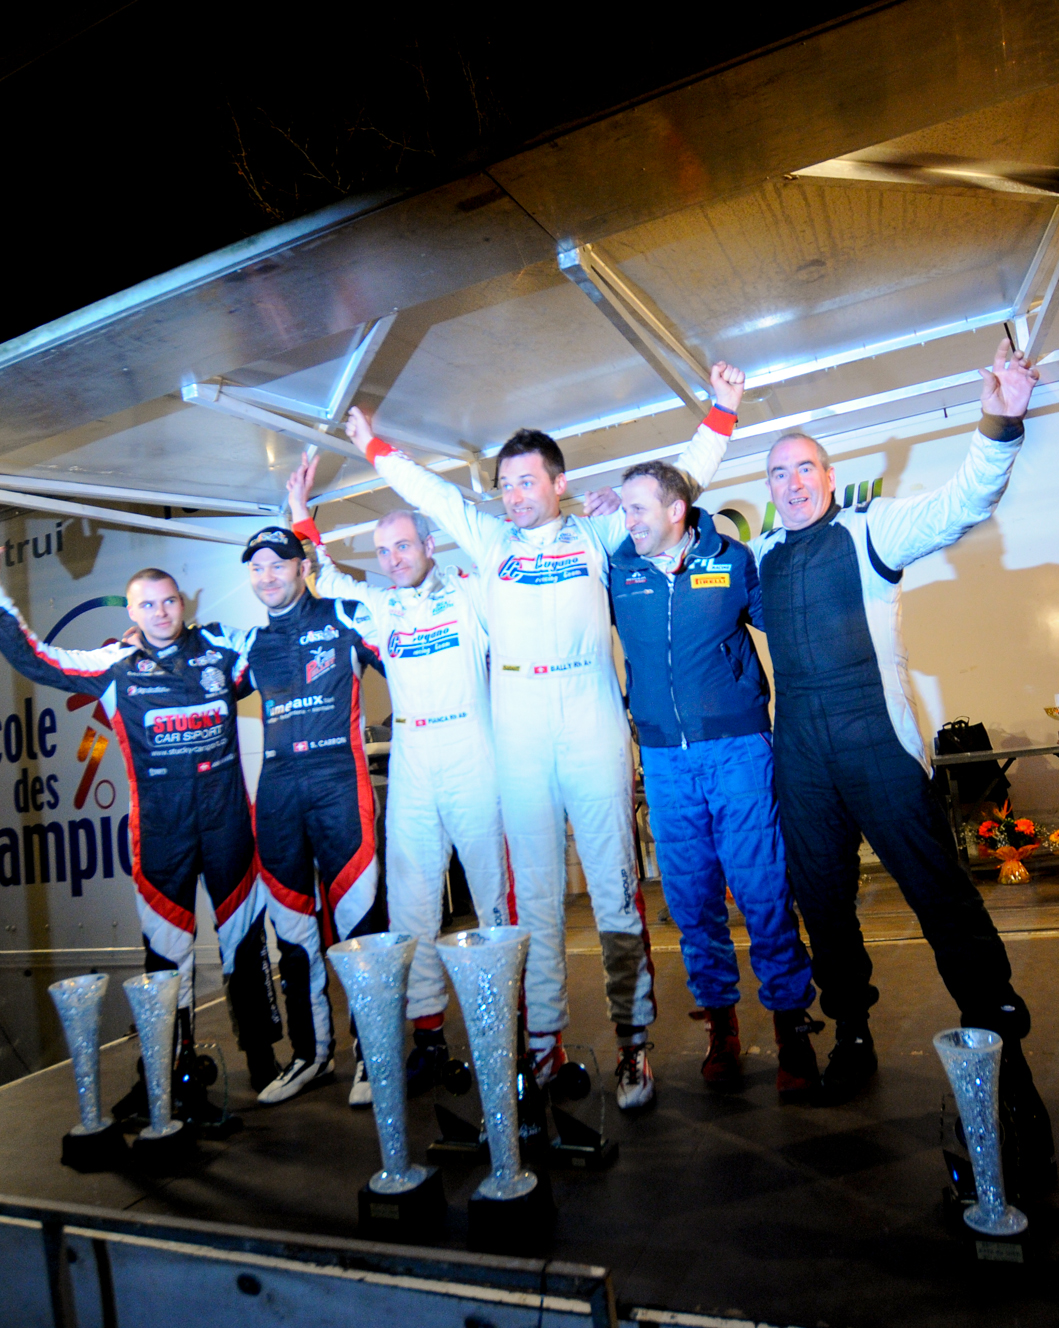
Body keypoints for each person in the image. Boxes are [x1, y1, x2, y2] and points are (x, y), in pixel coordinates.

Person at [349, 365, 740, 1110]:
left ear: (560, 484)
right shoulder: (489, 539)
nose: (514, 495)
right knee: (534, 903)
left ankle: (632, 1043)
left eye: (527, 482)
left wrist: (721, 412)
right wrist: (374, 445)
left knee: (616, 891)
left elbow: (674, 484)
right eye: (505, 484)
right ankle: (542, 1045)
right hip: (520, 729)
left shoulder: (597, 530)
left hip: (590, 719)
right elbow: (431, 495)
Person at [750, 338, 1054, 1142]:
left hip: (877, 748)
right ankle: (851, 1034)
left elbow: (963, 502)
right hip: (802, 759)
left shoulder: (872, 530)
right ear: (768, 489)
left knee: (941, 897)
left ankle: (1005, 1056)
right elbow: (684, 563)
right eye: (778, 474)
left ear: (828, 476)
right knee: (823, 907)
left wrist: (1000, 421)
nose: (793, 483)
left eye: (804, 469)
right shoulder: (760, 559)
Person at [0, 550, 283, 1102]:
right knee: (165, 957)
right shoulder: (114, 665)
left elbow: (284, 652)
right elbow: (35, 660)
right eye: (148, 605)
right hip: (161, 834)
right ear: (131, 612)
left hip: (227, 824)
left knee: (246, 942)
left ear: (182, 603)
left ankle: (262, 1059)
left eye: (169, 602)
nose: (161, 613)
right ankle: (168, 1070)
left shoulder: (220, 650)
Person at [285, 463, 510, 1093]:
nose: (393, 559)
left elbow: (514, 569)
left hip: (472, 750)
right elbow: (322, 574)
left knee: (494, 899)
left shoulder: (468, 591)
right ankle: (429, 1037)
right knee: (411, 909)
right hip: (412, 757)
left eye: (403, 546)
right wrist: (299, 511)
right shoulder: (380, 607)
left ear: (429, 544)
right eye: (383, 552)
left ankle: (511, 1034)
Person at [605, 459, 821, 1098]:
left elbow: (785, 622)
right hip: (664, 757)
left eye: (638, 507)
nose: (627, 519)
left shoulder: (732, 559)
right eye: (624, 507)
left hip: (738, 749)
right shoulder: (618, 570)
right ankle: (721, 1025)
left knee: (763, 889)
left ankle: (791, 1025)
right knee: (691, 899)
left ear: (676, 510)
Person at [235, 525, 388, 1105]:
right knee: (293, 928)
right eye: (257, 568)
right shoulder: (247, 644)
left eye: (278, 564)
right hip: (277, 791)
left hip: (338, 783)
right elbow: (193, 680)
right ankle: (311, 1053)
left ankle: (373, 1052)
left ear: (302, 567)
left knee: (359, 923)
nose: (267, 576)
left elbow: (413, 655)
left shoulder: (346, 616)